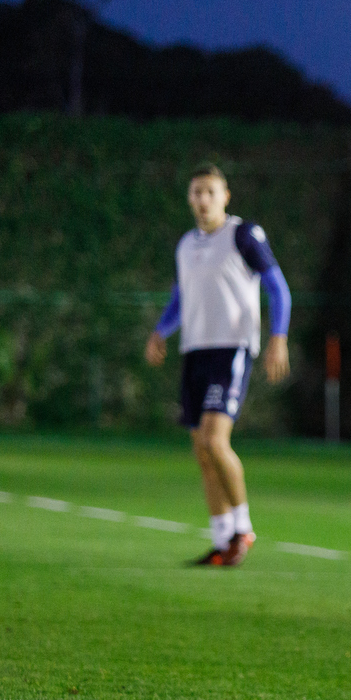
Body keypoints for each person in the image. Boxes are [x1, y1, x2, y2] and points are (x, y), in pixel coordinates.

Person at [145, 163, 291, 567]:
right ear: (189, 199)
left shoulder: (243, 235)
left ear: (225, 196)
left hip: (231, 350)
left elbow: (278, 286)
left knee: (214, 440)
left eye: (210, 191)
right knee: (201, 451)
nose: (203, 199)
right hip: (195, 352)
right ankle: (223, 539)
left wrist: (278, 337)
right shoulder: (185, 245)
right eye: (196, 192)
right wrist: (161, 330)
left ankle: (242, 527)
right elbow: (180, 299)